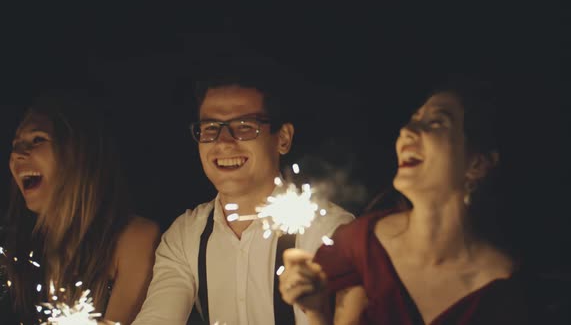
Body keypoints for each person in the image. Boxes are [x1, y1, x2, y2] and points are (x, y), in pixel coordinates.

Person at [279, 79, 531, 324]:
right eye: (413, 121)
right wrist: (315, 312)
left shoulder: (510, 292)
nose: (407, 132)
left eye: (435, 123)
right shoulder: (360, 245)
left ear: (477, 164)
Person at [132, 57, 354, 325]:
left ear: (283, 139)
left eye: (245, 127)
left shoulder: (328, 231)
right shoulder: (186, 236)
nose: (224, 142)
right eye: (210, 128)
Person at [1, 92, 160, 325]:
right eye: (15, 145)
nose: (17, 154)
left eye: (37, 140)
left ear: (80, 154)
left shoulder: (134, 237)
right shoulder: (14, 250)